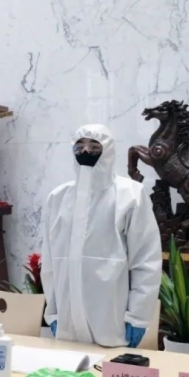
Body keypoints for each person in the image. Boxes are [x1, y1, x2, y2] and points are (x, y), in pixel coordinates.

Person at [41, 124, 162, 348]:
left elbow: (146, 261)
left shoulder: (130, 195)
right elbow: (49, 263)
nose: (86, 151)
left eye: (94, 146)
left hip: (112, 322)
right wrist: (54, 313)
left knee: (108, 369)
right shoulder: (58, 198)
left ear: (108, 150)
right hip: (67, 323)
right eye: (80, 145)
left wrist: (138, 316)